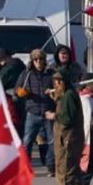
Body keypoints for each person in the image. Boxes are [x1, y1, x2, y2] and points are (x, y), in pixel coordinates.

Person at [48, 70, 86, 185]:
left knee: (65, 172)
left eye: (59, 81)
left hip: (68, 139)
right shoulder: (65, 96)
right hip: (68, 138)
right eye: (55, 81)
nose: (56, 84)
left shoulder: (69, 96)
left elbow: (67, 118)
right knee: (73, 172)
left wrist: (54, 115)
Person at [16, 49, 56, 177]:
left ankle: (51, 166)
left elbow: (60, 89)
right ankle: (25, 168)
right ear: (32, 61)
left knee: (52, 141)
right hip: (32, 112)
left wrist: (53, 91)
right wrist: (21, 92)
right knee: (27, 141)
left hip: (48, 111)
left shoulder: (51, 74)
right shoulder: (26, 74)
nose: (38, 62)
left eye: (41, 59)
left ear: (45, 60)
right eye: (36, 59)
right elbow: (17, 88)